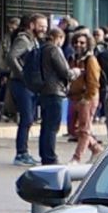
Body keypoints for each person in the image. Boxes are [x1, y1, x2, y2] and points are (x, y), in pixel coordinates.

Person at [27, 15, 72, 165]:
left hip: (43, 90)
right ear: (59, 38)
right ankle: (50, 157)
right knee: (52, 126)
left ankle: (44, 155)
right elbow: (64, 71)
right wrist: (75, 72)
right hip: (55, 91)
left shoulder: (41, 48)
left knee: (45, 126)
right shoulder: (54, 49)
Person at [6, 17, 40, 163]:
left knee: (29, 119)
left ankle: (23, 152)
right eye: (41, 25)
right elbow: (11, 57)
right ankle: (21, 153)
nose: (44, 29)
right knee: (26, 119)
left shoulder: (33, 40)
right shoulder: (24, 40)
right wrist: (22, 74)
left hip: (29, 84)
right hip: (22, 84)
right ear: (32, 25)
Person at [67, 33, 105, 160]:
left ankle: (77, 157)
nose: (78, 45)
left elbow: (94, 81)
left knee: (84, 129)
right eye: (76, 42)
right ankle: (96, 148)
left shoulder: (91, 60)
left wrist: (87, 97)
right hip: (74, 96)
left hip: (86, 97)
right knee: (72, 129)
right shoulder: (72, 58)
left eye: (82, 42)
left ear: (88, 44)